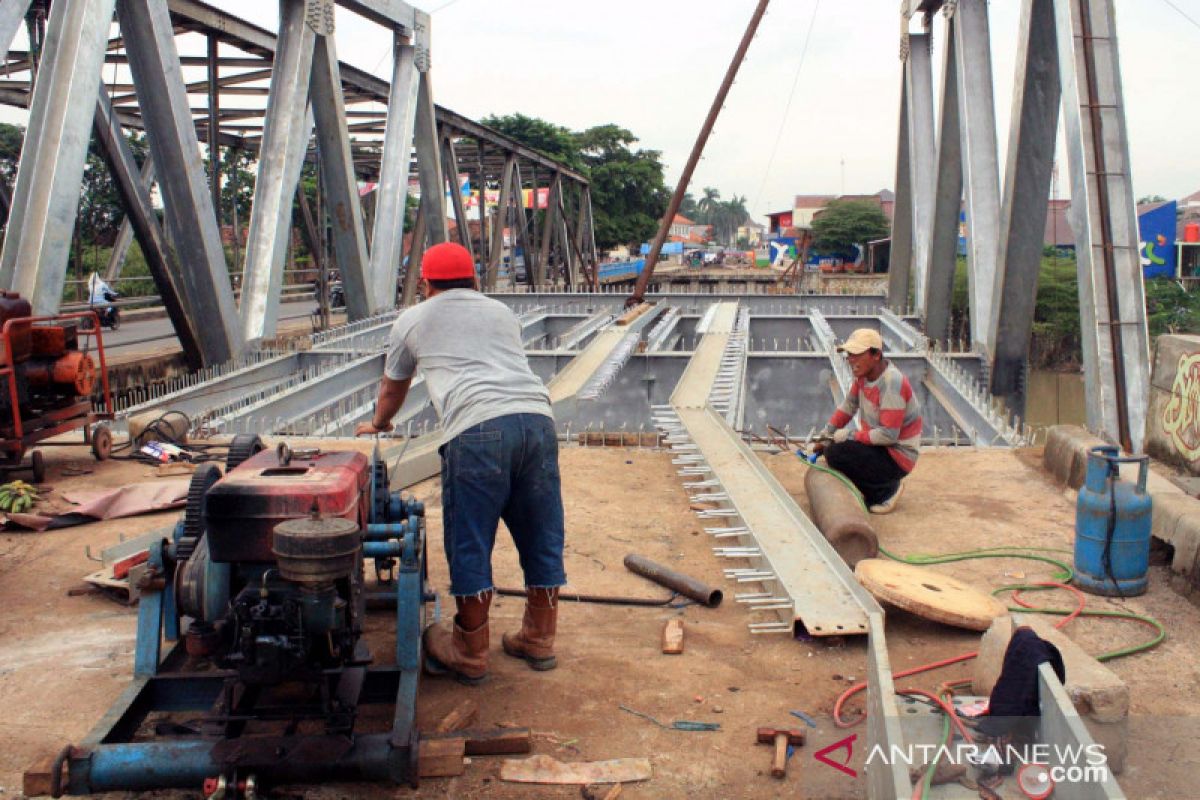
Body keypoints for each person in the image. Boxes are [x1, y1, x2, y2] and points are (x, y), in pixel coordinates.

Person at [355, 241, 565, 684]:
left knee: (470, 539)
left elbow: (394, 389)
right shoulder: (501, 312)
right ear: (473, 279)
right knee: (541, 532)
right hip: (537, 421)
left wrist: (378, 424)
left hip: (477, 429)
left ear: (426, 283)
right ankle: (539, 640)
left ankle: (470, 652)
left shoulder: (412, 319)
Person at [812, 328, 921, 514]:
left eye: (856, 354)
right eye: (849, 354)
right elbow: (848, 407)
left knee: (838, 454)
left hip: (897, 457)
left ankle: (887, 491)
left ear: (876, 355)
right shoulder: (863, 377)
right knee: (832, 449)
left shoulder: (891, 382)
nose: (850, 359)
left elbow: (888, 435)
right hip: (880, 447)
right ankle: (878, 486)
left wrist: (849, 435)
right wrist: (827, 433)